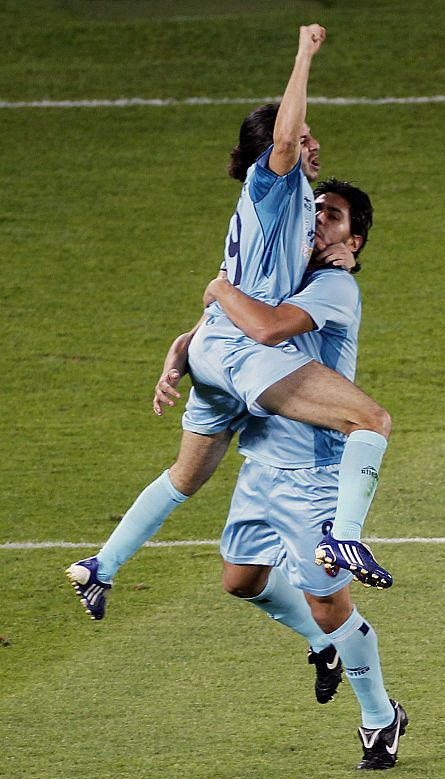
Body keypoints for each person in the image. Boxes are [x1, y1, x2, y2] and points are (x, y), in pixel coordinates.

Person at [66, 24, 392, 625]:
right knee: (369, 419)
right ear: (275, 149)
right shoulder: (275, 184)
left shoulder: (289, 208)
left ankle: (100, 564)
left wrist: (186, 343)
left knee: (186, 476)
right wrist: (305, 54)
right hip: (244, 349)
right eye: (304, 137)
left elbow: (234, 276)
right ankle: (344, 536)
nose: (312, 144)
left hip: (216, 346)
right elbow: (262, 319)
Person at [205, 179, 408, 770]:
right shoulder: (287, 269)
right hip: (262, 460)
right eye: (315, 209)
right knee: (241, 580)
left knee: (329, 605)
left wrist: (219, 287)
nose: (318, 218)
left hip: (312, 471)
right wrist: (187, 340)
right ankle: (324, 645)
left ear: (354, 240)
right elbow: (231, 323)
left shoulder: (335, 286)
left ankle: (379, 717)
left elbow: (266, 327)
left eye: (334, 216)